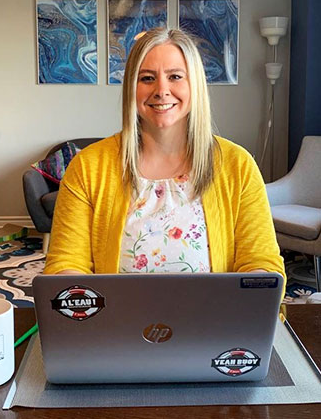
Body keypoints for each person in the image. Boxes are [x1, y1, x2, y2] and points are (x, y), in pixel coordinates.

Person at [44, 28, 284, 282]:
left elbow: (260, 262)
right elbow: (67, 263)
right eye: (147, 78)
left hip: (213, 320)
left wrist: (256, 292)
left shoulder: (238, 165)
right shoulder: (87, 167)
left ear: (195, 85)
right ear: (131, 88)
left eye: (175, 76)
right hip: (117, 320)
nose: (161, 90)